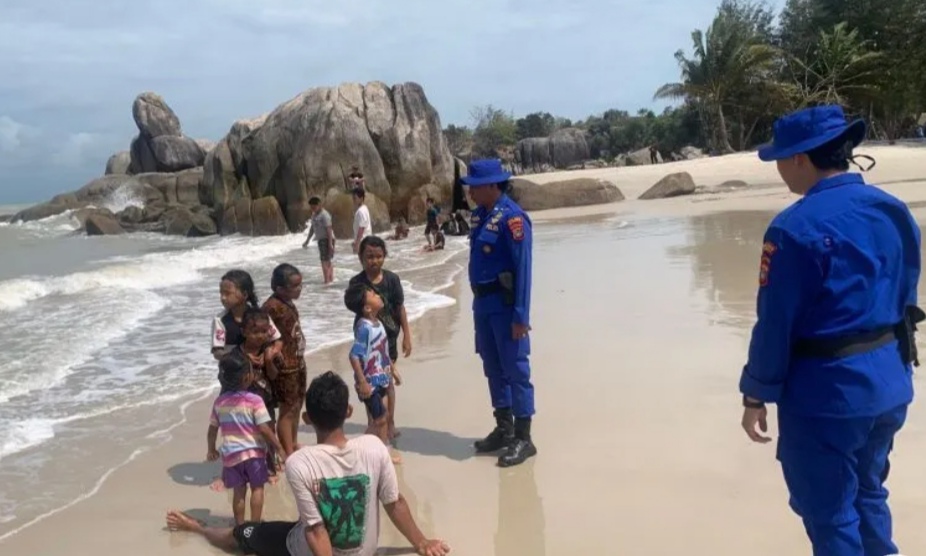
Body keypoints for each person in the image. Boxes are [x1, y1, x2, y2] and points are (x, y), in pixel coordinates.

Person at [738, 104, 923, 556]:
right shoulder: (893, 210)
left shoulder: (792, 229)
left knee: (830, 512)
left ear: (800, 158)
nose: (780, 170)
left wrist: (755, 394)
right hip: (889, 384)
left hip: (829, 397)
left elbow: (775, 324)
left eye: (781, 159)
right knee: (868, 492)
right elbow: (906, 290)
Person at [166, 371, 451, 556]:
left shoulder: (300, 462)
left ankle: (199, 529)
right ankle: (202, 529)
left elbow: (316, 532)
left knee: (245, 534)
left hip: (302, 546)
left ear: (307, 419)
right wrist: (422, 543)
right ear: (348, 411)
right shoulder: (374, 447)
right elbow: (395, 502)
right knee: (299, 522)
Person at [462, 158, 536, 468]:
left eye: (476, 187)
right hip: (483, 305)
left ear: (493, 185)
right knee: (493, 367)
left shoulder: (513, 219)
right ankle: (504, 428)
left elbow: (523, 270)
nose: (471, 193)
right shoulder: (481, 217)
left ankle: (523, 437)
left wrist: (521, 316)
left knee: (516, 369)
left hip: (506, 307)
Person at [207, 349, 287, 525]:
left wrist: (211, 449)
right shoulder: (254, 400)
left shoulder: (219, 402)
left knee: (238, 492)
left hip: (231, 457)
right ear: (246, 378)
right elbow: (265, 429)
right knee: (257, 489)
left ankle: (240, 526)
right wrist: (279, 448)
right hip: (254, 455)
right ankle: (255, 525)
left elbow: (212, 430)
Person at [348, 236, 412, 442]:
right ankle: (373, 422)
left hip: (388, 339)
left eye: (378, 256)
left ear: (384, 256)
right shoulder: (357, 283)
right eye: (369, 257)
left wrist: (407, 336)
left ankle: (390, 422)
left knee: (388, 383)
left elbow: (400, 308)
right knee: (370, 383)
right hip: (367, 340)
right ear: (361, 258)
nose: (374, 261)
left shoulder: (392, 280)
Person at [344, 281, 401, 463]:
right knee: (381, 418)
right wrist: (362, 382)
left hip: (382, 377)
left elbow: (382, 349)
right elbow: (354, 356)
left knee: (380, 419)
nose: (378, 295)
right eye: (373, 295)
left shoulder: (378, 322)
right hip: (370, 382)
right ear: (368, 308)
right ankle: (376, 452)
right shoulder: (364, 328)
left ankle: (372, 450)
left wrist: (393, 369)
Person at [263, 263, 308, 458]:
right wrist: (271, 353)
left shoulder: (287, 302)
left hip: (297, 361)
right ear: (280, 288)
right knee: (287, 409)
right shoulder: (271, 307)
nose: (300, 289)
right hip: (285, 367)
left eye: (300, 285)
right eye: (295, 286)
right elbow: (260, 332)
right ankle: (287, 451)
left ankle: (294, 442)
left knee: (297, 404)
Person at [211, 269, 282, 362]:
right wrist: (242, 356)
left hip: (260, 368)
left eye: (227, 293)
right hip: (233, 372)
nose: (223, 298)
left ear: (244, 294)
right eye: (221, 293)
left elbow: (277, 339)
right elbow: (217, 353)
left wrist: (272, 352)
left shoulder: (261, 316)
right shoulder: (220, 320)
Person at [302, 197, 335, 284]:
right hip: (321, 240)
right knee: (327, 260)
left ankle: (327, 281)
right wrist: (307, 240)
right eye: (311, 207)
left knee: (324, 261)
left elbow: (329, 229)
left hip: (327, 238)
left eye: (314, 207)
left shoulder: (325, 215)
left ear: (319, 205)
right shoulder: (314, 215)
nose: (313, 209)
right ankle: (330, 280)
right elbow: (312, 228)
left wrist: (330, 244)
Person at [352, 187, 372, 254]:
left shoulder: (361, 211)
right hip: (365, 240)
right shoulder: (364, 208)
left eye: (355, 198)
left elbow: (361, 228)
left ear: (361, 198)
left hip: (363, 241)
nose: (353, 200)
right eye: (353, 198)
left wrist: (357, 244)